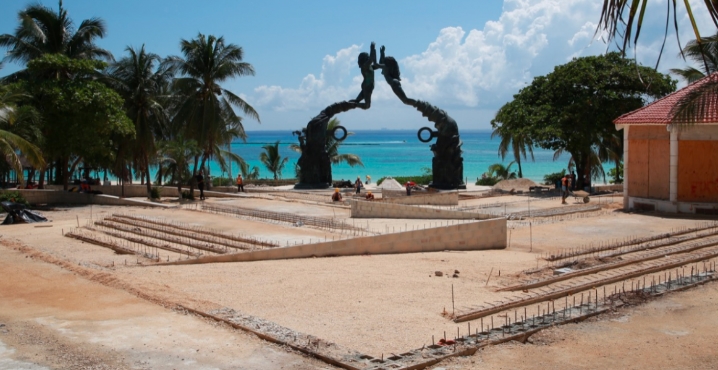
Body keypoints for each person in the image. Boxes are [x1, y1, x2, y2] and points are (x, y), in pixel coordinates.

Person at [349, 42, 377, 110]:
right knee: (367, 105)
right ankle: (352, 104)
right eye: (367, 58)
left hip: (368, 86)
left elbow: (375, 64)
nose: (368, 59)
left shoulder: (370, 67)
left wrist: (375, 52)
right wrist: (372, 48)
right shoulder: (364, 67)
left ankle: (350, 104)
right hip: (367, 86)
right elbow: (371, 59)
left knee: (357, 101)